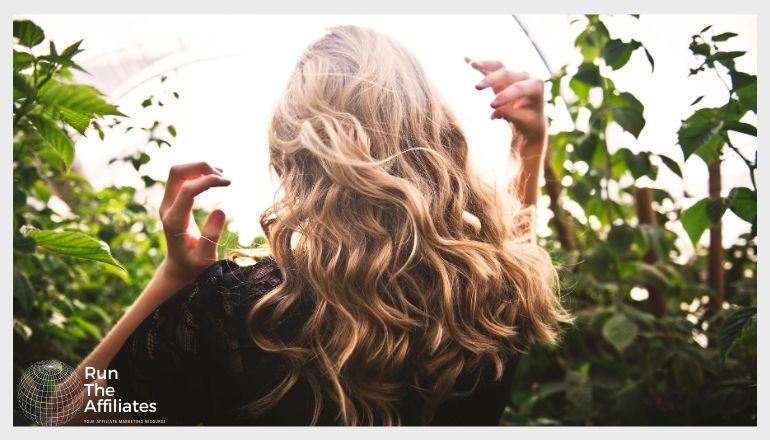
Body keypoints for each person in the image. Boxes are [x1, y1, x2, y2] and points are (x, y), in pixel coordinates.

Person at [71, 24, 571, 426]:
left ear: (293, 152)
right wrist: (528, 146)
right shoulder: (496, 294)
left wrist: (174, 278)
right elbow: (513, 250)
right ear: (433, 131)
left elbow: (61, 417)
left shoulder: (238, 310)